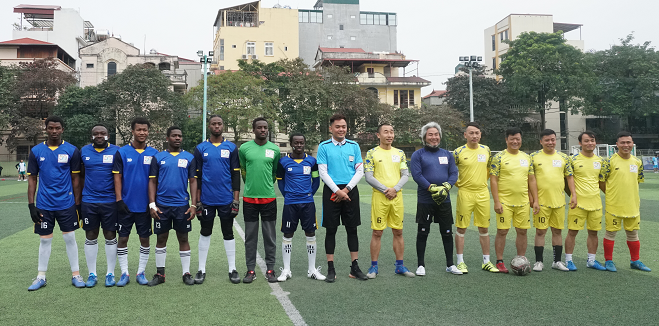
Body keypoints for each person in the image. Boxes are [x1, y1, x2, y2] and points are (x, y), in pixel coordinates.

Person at [27, 116, 84, 290]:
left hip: (66, 204)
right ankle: (41, 277)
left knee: (70, 238)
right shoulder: (36, 151)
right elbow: (32, 180)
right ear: (46, 129)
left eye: (57, 128)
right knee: (44, 241)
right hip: (44, 204)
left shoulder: (72, 150)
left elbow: (76, 179)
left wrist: (77, 204)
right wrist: (31, 205)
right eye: (51, 128)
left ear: (62, 129)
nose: (54, 131)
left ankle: (76, 275)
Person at [317, 113, 366, 282]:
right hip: (331, 191)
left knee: (352, 229)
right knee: (331, 229)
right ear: (331, 128)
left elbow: (360, 170)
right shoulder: (323, 147)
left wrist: (346, 189)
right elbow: (323, 171)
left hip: (350, 190)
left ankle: (355, 267)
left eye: (343, 126)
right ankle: (331, 269)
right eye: (337, 126)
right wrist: (337, 191)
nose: (341, 129)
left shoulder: (354, 146)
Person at [147, 126, 198, 286]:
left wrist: (194, 204)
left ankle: (186, 273)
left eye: (180, 136)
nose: (178, 138)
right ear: (167, 138)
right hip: (162, 206)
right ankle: (160, 274)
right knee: (161, 237)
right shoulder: (158, 157)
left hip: (182, 206)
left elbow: (193, 181)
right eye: (174, 136)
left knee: (183, 237)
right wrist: (152, 204)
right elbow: (152, 181)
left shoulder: (189, 157)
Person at [193, 115, 241, 284]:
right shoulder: (200, 148)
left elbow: (236, 174)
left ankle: (232, 269)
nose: (216, 126)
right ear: (209, 126)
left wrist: (236, 200)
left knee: (228, 232)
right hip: (206, 200)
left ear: (223, 126)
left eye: (219, 123)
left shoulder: (231, 147)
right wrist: (197, 201)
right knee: (205, 232)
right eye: (213, 124)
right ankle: (201, 269)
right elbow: (196, 177)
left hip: (226, 199)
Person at [113, 117, 159, 286]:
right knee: (122, 239)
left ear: (148, 132)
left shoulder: (154, 153)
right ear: (132, 131)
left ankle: (141, 272)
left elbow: (156, 181)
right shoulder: (122, 152)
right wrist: (119, 200)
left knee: (144, 239)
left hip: (145, 206)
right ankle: (124, 273)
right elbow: (117, 177)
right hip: (126, 205)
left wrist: (153, 203)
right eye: (139, 130)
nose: (142, 133)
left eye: (145, 130)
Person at [410, 122, 461, 276]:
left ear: (440, 136)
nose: (434, 137)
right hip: (426, 200)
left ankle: (450, 265)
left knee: (447, 232)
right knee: (423, 231)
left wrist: (446, 187)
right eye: (430, 134)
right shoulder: (418, 155)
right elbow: (417, 175)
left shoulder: (447, 154)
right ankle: (420, 265)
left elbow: (454, 173)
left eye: (436, 134)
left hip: (444, 200)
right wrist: (431, 188)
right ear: (424, 137)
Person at [364, 124, 414, 279]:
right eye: (386, 132)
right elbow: (369, 176)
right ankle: (374, 267)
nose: (390, 135)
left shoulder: (399, 153)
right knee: (377, 232)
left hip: (396, 197)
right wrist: (386, 189)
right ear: (378, 135)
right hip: (380, 197)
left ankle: (400, 266)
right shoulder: (372, 153)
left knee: (398, 231)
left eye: (392, 132)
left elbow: (405, 174)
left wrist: (395, 189)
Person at [275, 133, 325, 282]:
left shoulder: (312, 161)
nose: (299, 145)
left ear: (304, 143)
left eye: (301, 142)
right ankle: (286, 270)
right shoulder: (283, 161)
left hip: (307, 203)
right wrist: (287, 195)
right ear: (291, 143)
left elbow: (316, 181)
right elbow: (280, 181)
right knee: (287, 234)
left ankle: (312, 270)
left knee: (310, 234)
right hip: (290, 204)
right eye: (296, 142)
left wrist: (308, 194)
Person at [599, 131, 650, 272]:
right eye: (623, 142)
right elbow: (601, 181)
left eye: (628, 142)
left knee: (633, 233)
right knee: (610, 233)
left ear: (632, 144)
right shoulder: (609, 161)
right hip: (614, 205)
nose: (626, 145)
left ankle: (635, 261)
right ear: (617, 145)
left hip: (632, 205)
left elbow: (637, 182)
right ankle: (609, 261)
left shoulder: (637, 162)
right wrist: (610, 194)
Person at [490, 127, 538, 273]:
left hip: (523, 201)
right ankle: (499, 261)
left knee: (522, 231)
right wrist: (497, 201)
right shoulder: (499, 157)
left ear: (521, 140)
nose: (515, 141)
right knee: (502, 231)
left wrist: (535, 200)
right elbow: (493, 180)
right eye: (512, 139)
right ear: (506, 140)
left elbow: (531, 180)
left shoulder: (526, 157)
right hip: (504, 201)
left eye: (517, 139)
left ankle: (521, 259)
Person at [453, 122, 499, 273]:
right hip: (465, 193)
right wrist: (457, 184)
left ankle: (486, 261)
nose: (474, 136)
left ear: (480, 135)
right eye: (471, 133)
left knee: (484, 227)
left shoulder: (486, 150)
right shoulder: (458, 152)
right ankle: (460, 261)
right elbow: (451, 172)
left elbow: (489, 170)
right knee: (461, 227)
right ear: (465, 135)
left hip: (482, 193)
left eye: (477, 133)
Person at [239, 117, 280, 283]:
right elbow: (243, 170)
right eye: (259, 127)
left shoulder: (275, 149)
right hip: (249, 199)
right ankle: (250, 270)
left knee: (269, 237)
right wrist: (250, 185)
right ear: (253, 129)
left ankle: (270, 269)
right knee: (250, 237)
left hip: (269, 199)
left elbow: (274, 172)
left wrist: (266, 186)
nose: (263, 130)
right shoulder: (244, 148)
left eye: (265, 127)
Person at [529, 129, 577, 272]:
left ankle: (557, 261)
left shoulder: (563, 157)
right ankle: (539, 262)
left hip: (559, 202)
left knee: (557, 231)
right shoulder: (533, 157)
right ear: (541, 142)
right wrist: (533, 199)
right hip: (541, 202)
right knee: (540, 232)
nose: (550, 142)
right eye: (547, 140)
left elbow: (569, 177)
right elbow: (529, 179)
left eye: (552, 139)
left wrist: (573, 194)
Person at [80, 125, 121, 287]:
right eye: (96, 133)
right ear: (91, 136)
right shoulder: (83, 151)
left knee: (110, 235)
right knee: (90, 235)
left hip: (110, 201)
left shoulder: (117, 151)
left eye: (102, 133)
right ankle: (92, 274)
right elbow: (80, 176)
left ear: (108, 135)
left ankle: (110, 273)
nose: (99, 135)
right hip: (89, 201)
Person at [564, 131, 607, 271]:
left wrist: (610, 196)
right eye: (586, 141)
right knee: (572, 232)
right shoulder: (573, 160)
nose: (590, 143)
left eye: (592, 140)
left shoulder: (601, 161)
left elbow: (601, 182)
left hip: (595, 203)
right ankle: (569, 260)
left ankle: (592, 260)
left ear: (595, 142)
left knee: (594, 233)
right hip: (578, 204)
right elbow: (566, 181)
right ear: (580, 143)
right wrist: (573, 195)